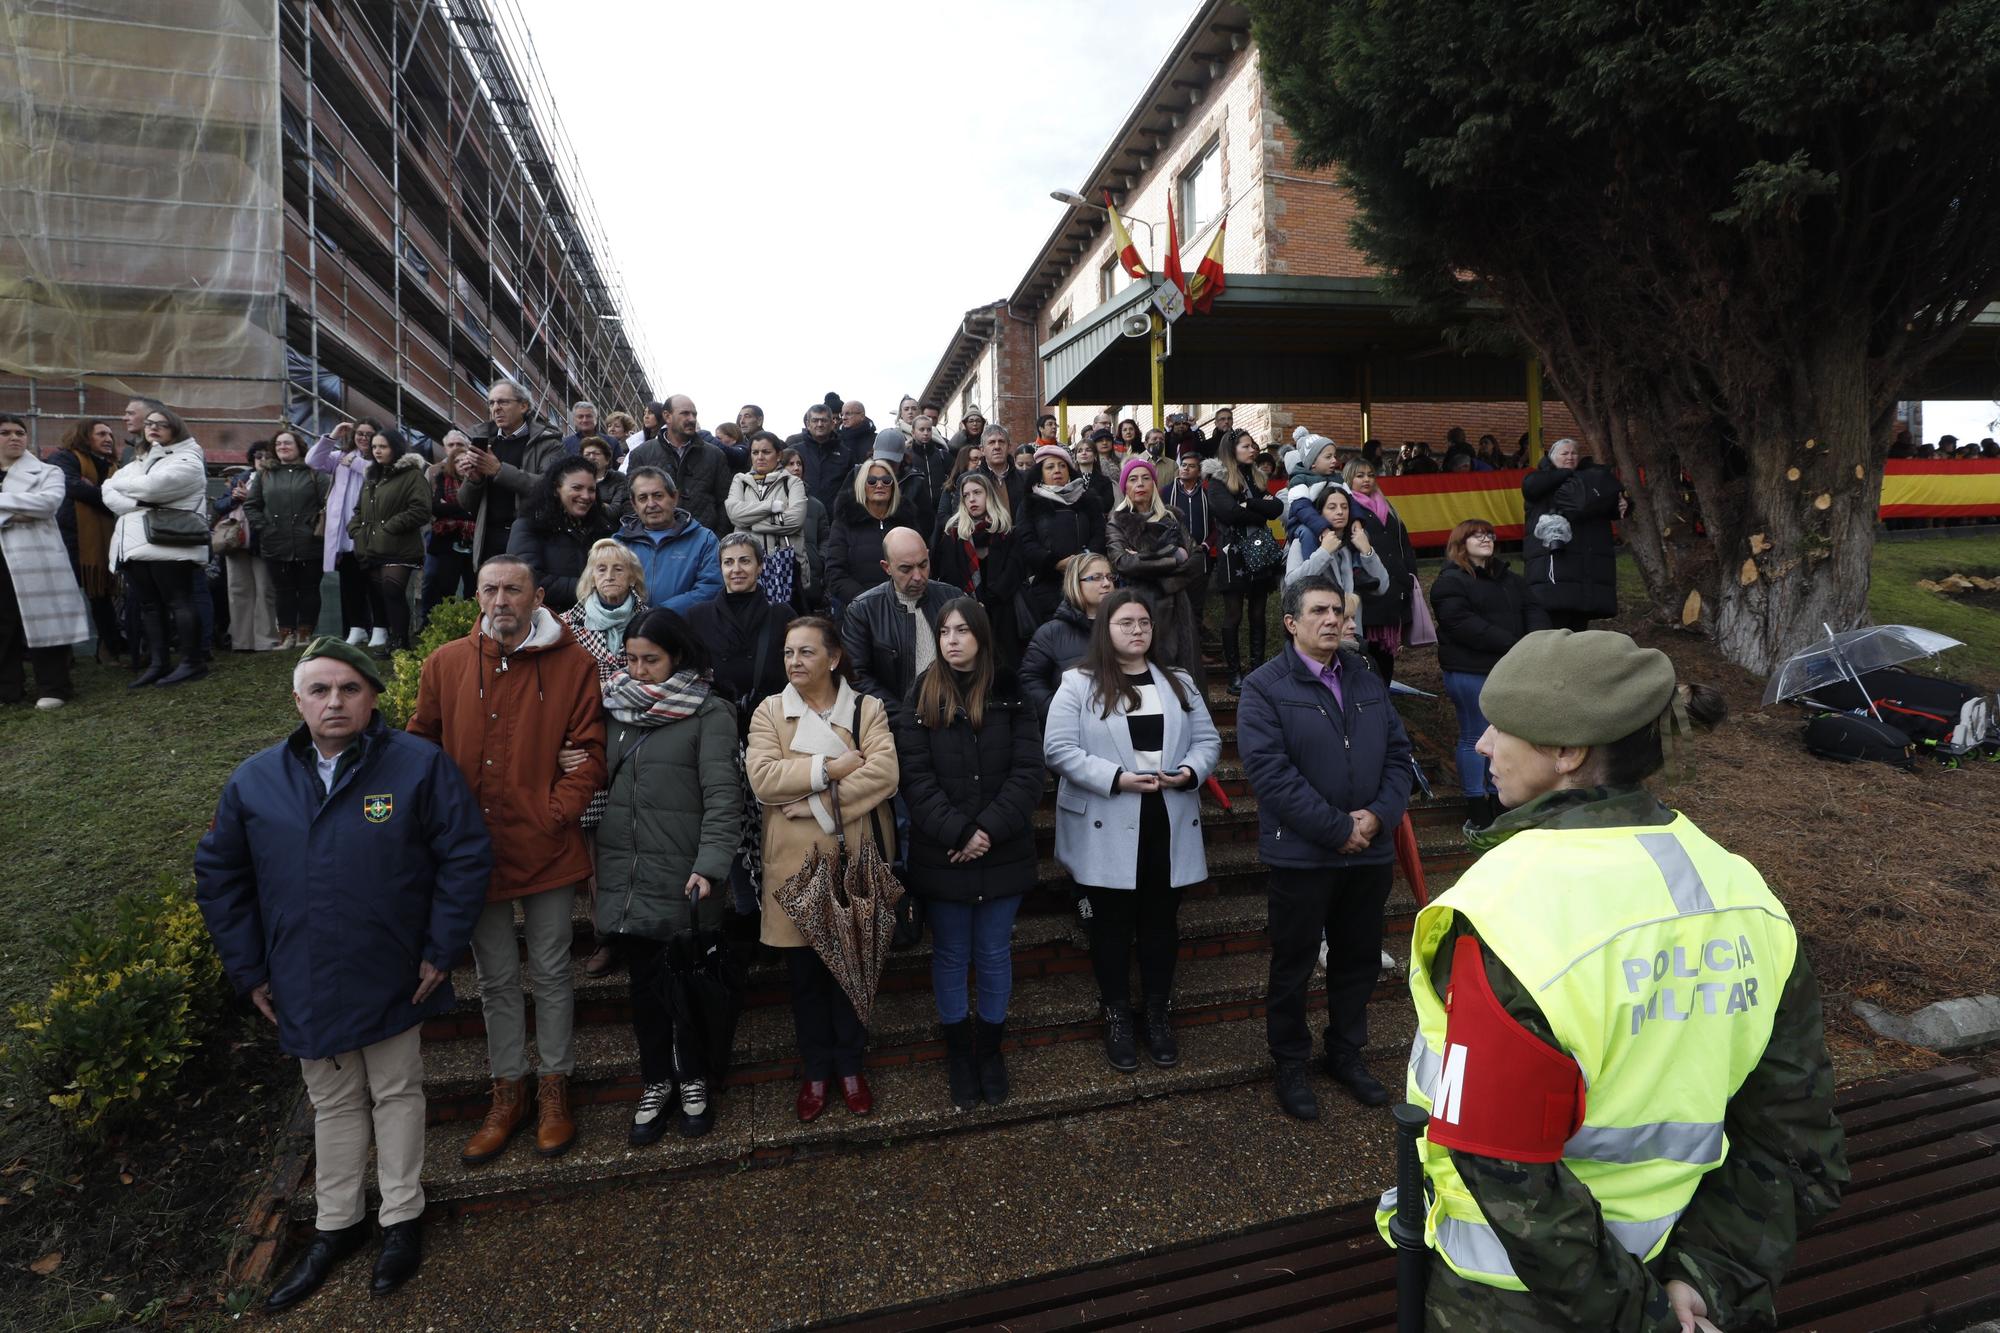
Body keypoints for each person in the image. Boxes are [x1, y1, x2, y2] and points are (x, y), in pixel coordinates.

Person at [1384, 630, 1845, 1332]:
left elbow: (1504, 1169)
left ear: (1568, 754)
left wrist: (1643, 1317)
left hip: (1511, 1303)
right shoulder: (1742, 893)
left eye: (1502, 728)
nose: (1481, 745)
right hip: (1684, 1272)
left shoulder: (1509, 908)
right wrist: (1707, 1277)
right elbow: (1794, 1137)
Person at [194, 637, 489, 1312]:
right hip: (301, 974)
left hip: (392, 969)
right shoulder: (255, 780)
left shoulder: (419, 766)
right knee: (332, 1101)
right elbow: (220, 876)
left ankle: (401, 1217)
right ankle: (336, 1223)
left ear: (373, 697)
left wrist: (442, 948)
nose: (335, 701)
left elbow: (466, 856)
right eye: (320, 690)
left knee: (395, 1090)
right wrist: (248, 968)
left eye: (349, 688)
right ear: (297, 700)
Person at [408, 554, 606, 1166]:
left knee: (549, 971)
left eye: (513, 589)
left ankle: (554, 1087)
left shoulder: (575, 663)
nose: (501, 600)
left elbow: (591, 754)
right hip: (472, 854)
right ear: (477, 597)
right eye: (490, 589)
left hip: (544, 846)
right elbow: (422, 740)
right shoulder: (446, 663)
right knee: (494, 978)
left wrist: (553, 811)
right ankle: (508, 1090)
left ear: (537, 595)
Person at [1236, 574, 1413, 1120]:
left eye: (1338, 610)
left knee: (1357, 960)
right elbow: (1271, 775)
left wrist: (1378, 818)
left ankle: (1346, 1051)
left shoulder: (1365, 678)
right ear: (1291, 623)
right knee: (1293, 965)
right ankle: (1289, 1062)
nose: (1333, 619)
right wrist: (1339, 828)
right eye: (1319, 611)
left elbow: (1398, 757)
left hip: (1369, 854)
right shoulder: (1265, 686)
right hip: (1303, 855)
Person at [1044, 590, 1220, 1073]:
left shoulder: (1178, 681)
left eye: (1144, 621)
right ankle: (1117, 1014)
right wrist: (1116, 779)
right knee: (1112, 926)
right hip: (1108, 818)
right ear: (1107, 628)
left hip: (1166, 815)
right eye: (1126, 622)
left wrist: (1187, 772)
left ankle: (1158, 1014)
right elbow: (1058, 749)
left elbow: (1207, 740)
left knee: (1162, 923)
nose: (1138, 630)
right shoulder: (1078, 683)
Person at [592, 607, 740, 1143]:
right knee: (645, 990)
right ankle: (657, 1081)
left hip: (683, 872)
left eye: (650, 659)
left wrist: (709, 866)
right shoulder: (613, 709)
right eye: (630, 658)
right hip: (625, 869)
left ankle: (693, 1079)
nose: (638, 670)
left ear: (677, 655)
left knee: (685, 987)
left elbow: (724, 798)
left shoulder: (710, 712)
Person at [745, 615, 900, 1123]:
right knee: (806, 979)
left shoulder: (866, 708)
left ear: (833, 658)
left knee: (852, 970)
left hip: (853, 863)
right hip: (794, 866)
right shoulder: (769, 711)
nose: (794, 661)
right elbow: (765, 780)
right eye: (789, 652)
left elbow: (885, 772)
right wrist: (831, 769)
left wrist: (814, 804)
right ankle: (816, 1070)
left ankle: (851, 1067)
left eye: (806, 652)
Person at [891, 598, 1042, 1109]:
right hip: (944, 853)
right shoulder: (920, 696)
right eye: (944, 631)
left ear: (980, 635)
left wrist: (987, 833)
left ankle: (990, 1049)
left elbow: (1027, 773)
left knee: (995, 953)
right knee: (952, 954)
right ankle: (959, 1051)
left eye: (962, 631)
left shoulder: (1011, 690)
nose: (952, 639)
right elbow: (915, 777)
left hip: (1001, 851)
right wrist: (959, 832)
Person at [685, 533, 791, 920]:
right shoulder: (697, 616)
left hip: (773, 734)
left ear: (760, 567)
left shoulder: (782, 615)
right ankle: (748, 912)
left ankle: (778, 910)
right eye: (729, 562)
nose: (737, 569)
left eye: (745, 561)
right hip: (722, 733)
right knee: (732, 823)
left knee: (770, 825)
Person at [1431, 518, 1545, 828]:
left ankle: (1500, 800)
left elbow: (1534, 609)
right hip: (1469, 670)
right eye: (1476, 535)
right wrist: (1513, 644)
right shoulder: (1450, 581)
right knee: (1474, 735)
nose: (1486, 539)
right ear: (1460, 543)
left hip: (1509, 668)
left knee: (1504, 736)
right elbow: (1461, 623)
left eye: (1489, 534)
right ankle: (1476, 805)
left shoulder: (1510, 579)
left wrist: (1532, 641)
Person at [102, 404, 210, 687]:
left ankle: (192, 662)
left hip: (169, 541)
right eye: (149, 423)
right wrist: (138, 500)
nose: (153, 427)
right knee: (150, 606)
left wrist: (130, 490)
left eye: (160, 424)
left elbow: (155, 486)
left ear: (175, 427)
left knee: (179, 601)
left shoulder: (187, 458)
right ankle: (159, 663)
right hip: (135, 542)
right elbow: (107, 489)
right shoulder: (139, 459)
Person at [0, 414, 89, 708]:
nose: (15, 437)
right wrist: (18, 511)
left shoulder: (47, 471)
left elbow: (47, 505)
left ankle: (54, 687)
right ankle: (7, 689)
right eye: (5, 432)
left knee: (46, 621)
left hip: (35, 559)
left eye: (20, 432)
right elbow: (32, 508)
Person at [1104, 456, 1201, 680]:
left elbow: (1195, 561)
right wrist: (1171, 558)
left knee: (1181, 673)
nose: (1140, 484)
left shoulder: (1172, 518)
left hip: (1177, 604)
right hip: (1139, 604)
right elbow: (1122, 563)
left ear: (1154, 484)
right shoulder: (1117, 522)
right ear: (1125, 487)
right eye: (1133, 479)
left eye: (1146, 478)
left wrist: (1143, 559)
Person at [841, 526, 951, 722]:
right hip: (894, 724)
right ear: (886, 567)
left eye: (923, 564)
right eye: (906, 569)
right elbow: (857, 677)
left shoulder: (952, 598)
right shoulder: (863, 610)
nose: (918, 576)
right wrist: (904, 716)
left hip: (951, 717)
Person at [1522, 436, 1628, 633]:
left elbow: (1609, 504)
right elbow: (1531, 487)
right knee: (1552, 626)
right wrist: (1571, 475)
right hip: (1553, 565)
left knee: (1578, 626)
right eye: (1564, 453)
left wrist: (1623, 502)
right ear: (1551, 457)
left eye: (1574, 453)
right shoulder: (1538, 480)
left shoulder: (1590, 482)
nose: (1570, 457)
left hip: (1585, 566)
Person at [457, 380, 566, 567]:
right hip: (488, 537)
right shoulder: (484, 443)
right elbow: (466, 504)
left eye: (503, 402)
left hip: (529, 535)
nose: (496, 408)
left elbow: (549, 488)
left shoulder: (549, 442)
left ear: (523, 406)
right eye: (491, 403)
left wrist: (499, 470)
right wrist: (474, 481)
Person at [1209, 430, 1284, 690]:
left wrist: (1247, 504)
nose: (1253, 450)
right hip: (1233, 556)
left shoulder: (1258, 478)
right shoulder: (1218, 480)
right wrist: (1257, 507)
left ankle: (1257, 671)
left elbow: (1276, 509)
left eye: (1253, 445)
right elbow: (1228, 514)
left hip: (1260, 553)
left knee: (1258, 614)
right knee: (1233, 615)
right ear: (1232, 450)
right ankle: (1234, 674)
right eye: (1246, 446)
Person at [346, 428, 431, 653]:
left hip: (400, 547)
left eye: (382, 446)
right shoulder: (372, 475)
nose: (377, 451)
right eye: (374, 447)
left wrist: (389, 527)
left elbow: (421, 510)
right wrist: (354, 528)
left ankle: (400, 641)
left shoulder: (412, 475)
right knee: (384, 595)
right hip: (373, 547)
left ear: (395, 447)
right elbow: (359, 509)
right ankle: (396, 640)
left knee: (393, 592)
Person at [246, 428, 331, 649]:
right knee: (283, 592)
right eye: (279, 444)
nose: (282, 447)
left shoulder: (315, 473)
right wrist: (264, 528)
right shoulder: (265, 475)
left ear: (299, 446)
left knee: (309, 589)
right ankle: (286, 635)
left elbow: (329, 502)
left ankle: (305, 634)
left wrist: (314, 525)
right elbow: (252, 505)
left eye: (287, 443)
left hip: (309, 542)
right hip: (275, 542)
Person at [48, 417, 125, 661]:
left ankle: (110, 647)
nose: (108, 439)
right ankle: (62, 654)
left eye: (110, 435)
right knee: (64, 596)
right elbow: (71, 487)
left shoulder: (112, 465)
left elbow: (122, 495)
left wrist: (93, 491)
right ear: (84, 436)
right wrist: (107, 495)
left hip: (102, 539)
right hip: (70, 536)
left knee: (101, 594)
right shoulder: (65, 458)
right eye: (101, 434)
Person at [929, 470, 1024, 664]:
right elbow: (948, 575)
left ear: (989, 495)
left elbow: (1014, 572)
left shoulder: (1007, 533)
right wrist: (971, 605)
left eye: (977, 493)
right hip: (965, 613)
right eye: (966, 495)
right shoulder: (953, 535)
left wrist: (988, 601)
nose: (972, 499)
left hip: (1003, 614)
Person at [506, 455, 619, 615]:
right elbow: (527, 579)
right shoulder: (529, 526)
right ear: (555, 489)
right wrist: (591, 587)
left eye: (591, 490)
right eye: (577, 488)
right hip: (548, 622)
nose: (586, 496)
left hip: (596, 622)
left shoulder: (603, 528)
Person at [1341, 458, 1418, 682]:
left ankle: (1383, 699)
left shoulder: (1388, 507)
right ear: (1349, 478)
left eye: (1370, 475)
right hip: (1367, 593)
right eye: (1360, 475)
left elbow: (1404, 546)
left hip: (1394, 589)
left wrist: (1409, 576)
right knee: (1366, 653)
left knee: (1387, 656)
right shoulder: (1346, 509)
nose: (1367, 480)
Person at [1017, 443, 1106, 629]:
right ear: (1040, 473)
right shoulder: (1029, 504)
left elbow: (1099, 534)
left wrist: (1084, 560)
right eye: (1050, 467)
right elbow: (1027, 543)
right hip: (1047, 585)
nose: (1057, 470)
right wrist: (1056, 563)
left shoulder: (1087, 499)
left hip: (1085, 580)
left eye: (1062, 465)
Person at [309, 419, 380, 647]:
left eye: (369, 434)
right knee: (350, 584)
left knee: (374, 585)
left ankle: (379, 629)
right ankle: (356, 628)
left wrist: (355, 462)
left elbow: (377, 474)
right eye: (360, 433)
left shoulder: (379, 457)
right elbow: (313, 460)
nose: (363, 438)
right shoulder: (341, 457)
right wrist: (332, 436)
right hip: (344, 535)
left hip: (370, 533)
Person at [1020, 551, 1113, 716]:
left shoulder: (1126, 626)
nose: (1106, 583)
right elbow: (1030, 680)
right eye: (1096, 577)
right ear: (1075, 583)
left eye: (1110, 577)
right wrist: (1060, 712)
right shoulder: (1050, 633)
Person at [624, 395, 732, 536]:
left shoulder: (715, 455)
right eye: (685, 413)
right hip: (654, 542)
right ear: (667, 416)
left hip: (702, 543)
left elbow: (725, 502)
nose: (692, 419)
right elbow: (630, 499)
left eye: (694, 414)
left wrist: (716, 538)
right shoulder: (641, 453)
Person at [1283, 482, 1387, 625]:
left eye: (1345, 507)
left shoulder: (1355, 544)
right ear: (1319, 513)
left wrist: (1367, 552)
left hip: (1352, 632)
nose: (1340, 512)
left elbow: (1382, 588)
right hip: (1319, 631)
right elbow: (1292, 585)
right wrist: (1324, 552)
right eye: (1332, 507)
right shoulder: (1301, 543)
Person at [826, 456, 921, 612]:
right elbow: (835, 573)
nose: (879, 485)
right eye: (871, 481)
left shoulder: (907, 521)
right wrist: (866, 601)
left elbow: (920, 564)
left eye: (886, 480)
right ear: (862, 485)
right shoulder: (844, 522)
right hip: (859, 612)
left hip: (904, 608)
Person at [724, 431, 808, 598]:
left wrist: (751, 523)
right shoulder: (740, 481)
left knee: (783, 619)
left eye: (766, 452)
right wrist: (770, 506)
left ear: (778, 455)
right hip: (746, 566)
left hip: (784, 567)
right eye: (755, 452)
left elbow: (795, 520)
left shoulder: (793, 483)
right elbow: (734, 514)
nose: (760, 457)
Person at [559, 538, 648, 685]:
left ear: (632, 578)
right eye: (601, 569)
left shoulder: (649, 621)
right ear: (592, 578)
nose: (609, 577)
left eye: (618, 569)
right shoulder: (566, 624)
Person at [420, 430, 478, 623]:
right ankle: (429, 623)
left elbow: (479, 510)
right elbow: (434, 507)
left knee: (472, 585)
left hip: (474, 538)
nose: (455, 449)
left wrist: (451, 508)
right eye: (451, 445)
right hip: (444, 536)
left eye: (459, 445)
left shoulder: (479, 479)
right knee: (436, 581)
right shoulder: (437, 473)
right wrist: (465, 511)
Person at [867, 428, 936, 539]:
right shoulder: (859, 476)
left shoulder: (915, 482)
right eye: (882, 460)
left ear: (902, 458)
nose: (887, 466)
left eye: (891, 462)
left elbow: (927, 524)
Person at [780, 447, 829, 603]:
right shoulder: (769, 503)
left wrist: (819, 559)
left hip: (811, 577)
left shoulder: (816, 505)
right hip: (779, 576)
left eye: (799, 463)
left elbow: (826, 539)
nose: (796, 468)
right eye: (790, 464)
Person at [785, 402, 852, 513]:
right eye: (815, 420)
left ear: (832, 423)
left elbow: (851, 488)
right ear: (807, 424)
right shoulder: (794, 452)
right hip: (802, 515)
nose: (820, 424)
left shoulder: (845, 453)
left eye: (824, 420)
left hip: (836, 517)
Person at [972, 424, 1030, 518]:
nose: (997, 447)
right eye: (991, 442)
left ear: (1009, 447)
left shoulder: (1026, 479)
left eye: (1001, 442)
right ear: (982, 450)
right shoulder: (969, 480)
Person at [580, 436, 631, 521]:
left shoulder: (618, 478)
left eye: (596, 454)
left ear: (607, 459)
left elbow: (614, 512)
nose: (591, 457)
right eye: (587, 454)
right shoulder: (577, 479)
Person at [1073, 434, 1118, 513]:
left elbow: (1107, 505)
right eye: (1080, 451)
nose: (1084, 453)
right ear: (1076, 457)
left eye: (1088, 450)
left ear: (1095, 455)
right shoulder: (1070, 479)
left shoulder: (1105, 481)